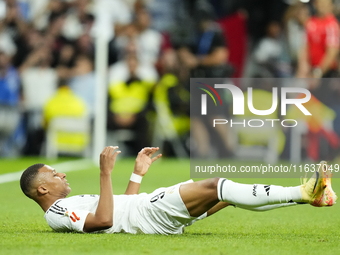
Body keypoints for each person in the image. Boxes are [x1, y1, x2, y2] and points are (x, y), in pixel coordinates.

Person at [20, 146, 337, 235]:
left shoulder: (67, 204)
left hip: (144, 209)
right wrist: (105, 174)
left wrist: (136, 174)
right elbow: (103, 221)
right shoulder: (57, 212)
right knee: (216, 184)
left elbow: (119, 209)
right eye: (53, 173)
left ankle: (308, 196)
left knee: (224, 195)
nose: (60, 173)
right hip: (150, 215)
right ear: (43, 188)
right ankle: (305, 191)